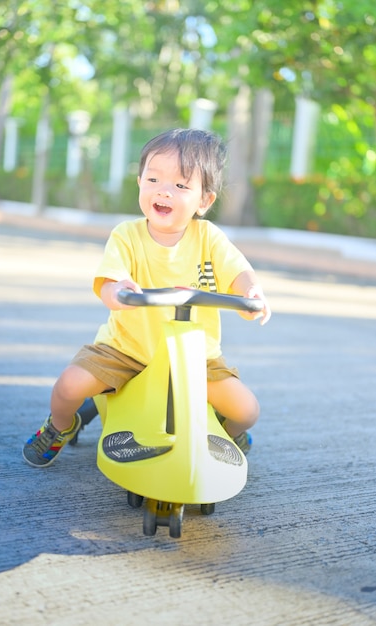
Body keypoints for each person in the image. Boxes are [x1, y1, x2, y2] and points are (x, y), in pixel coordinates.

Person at [23, 128, 271, 468]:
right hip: (126, 349)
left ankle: (224, 431)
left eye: (181, 185)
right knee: (68, 386)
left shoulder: (209, 238)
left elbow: (239, 271)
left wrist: (250, 291)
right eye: (154, 179)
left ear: (204, 201)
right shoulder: (127, 236)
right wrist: (118, 292)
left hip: (195, 357)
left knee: (247, 410)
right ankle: (60, 427)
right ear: (140, 181)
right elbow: (111, 280)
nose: (164, 191)